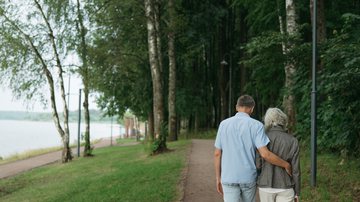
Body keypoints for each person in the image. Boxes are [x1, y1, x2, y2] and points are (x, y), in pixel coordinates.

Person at [214, 95, 292, 202]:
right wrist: (286, 164)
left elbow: (217, 154)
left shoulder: (223, 124)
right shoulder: (257, 125)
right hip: (248, 177)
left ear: (237, 107)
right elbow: (265, 154)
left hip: (229, 177)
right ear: (252, 108)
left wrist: (218, 178)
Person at [257, 108, 300, 202]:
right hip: (286, 186)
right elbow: (295, 170)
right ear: (283, 120)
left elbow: (258, 165)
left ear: (268, 121)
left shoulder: (261, 138)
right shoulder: (293, 140)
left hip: (265, 185)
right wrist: (297, 192)